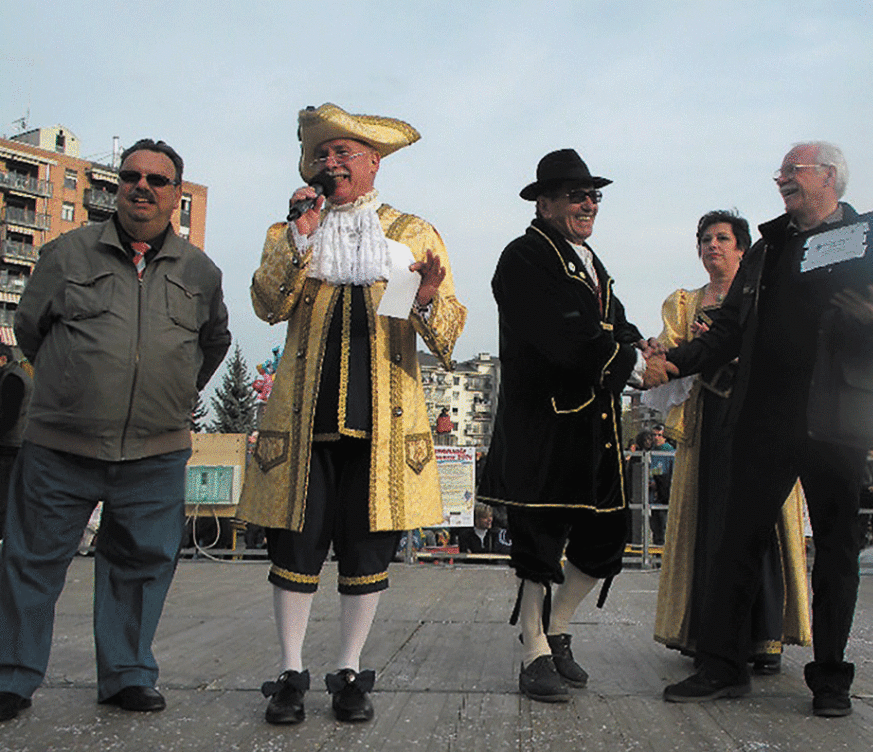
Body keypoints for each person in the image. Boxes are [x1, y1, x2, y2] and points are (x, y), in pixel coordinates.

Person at [661, 142, 873, 717]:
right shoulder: (767, 247)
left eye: (793, 171)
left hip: (838, 422)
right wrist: (677, 362)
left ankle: (830, 680)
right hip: (766, 418)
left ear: (829, 178)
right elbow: (730, 328)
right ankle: (723, 666)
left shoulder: (872, 241)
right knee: (736, 541)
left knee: (835, 551)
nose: (780, 178)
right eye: (781, 171)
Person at [236, 104, 466, 726]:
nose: (331, 162)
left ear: (374, 163)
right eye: (324, 153)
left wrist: (423, 299)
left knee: (368, 550)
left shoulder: (413, 232)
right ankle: (289, 670)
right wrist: (298, 239)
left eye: (345, 153)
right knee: (295, 544)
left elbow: (447, 335)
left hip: (384, 425)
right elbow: (264, 303)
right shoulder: (290, 229)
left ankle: (348, 669)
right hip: (302, 421)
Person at [0, 139, 231, 722]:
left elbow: (213, 344)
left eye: (158, 180)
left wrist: (172, 395)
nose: (143, 187)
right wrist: (74, 386)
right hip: (60, 445)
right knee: (31, 562)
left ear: (177, 195)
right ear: (116, 187)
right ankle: (11, 675)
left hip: (154, 453)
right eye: (131, 177)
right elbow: (30, 330)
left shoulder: (201, 272)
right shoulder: (66, 254)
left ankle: (127, 674)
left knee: (141, 564)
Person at [477, 149, 673, 703]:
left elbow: (612, 322)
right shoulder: (524, 258)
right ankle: (533, 646)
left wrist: (643, 346)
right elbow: (564, 333)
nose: (588, 204)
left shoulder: (588, 259)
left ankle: (559, 626)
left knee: (605, 538)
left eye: (594, 196)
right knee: (539, 542)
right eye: (575, 195)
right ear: (544, 203)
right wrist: (632, 363)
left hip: (596, 429)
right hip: (546, 425)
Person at [652, 210, 810, 673]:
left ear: (743, 249)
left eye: (722, 238)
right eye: (704, 239)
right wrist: (657, 356)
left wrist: (732, 347)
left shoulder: (767, 294)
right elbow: (672, 357)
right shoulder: (683, 303)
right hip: (708, 423)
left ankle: (763, 636)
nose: (712, 246)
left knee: (760, 526)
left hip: (759, 418)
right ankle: (707, 634)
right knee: (710, 525)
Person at [0, 344, 31, 539]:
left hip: (10, 447)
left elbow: (7, 417)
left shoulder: (13, 379)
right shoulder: (11, 375)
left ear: (3, 359)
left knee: (3, 496)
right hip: (10, 445)